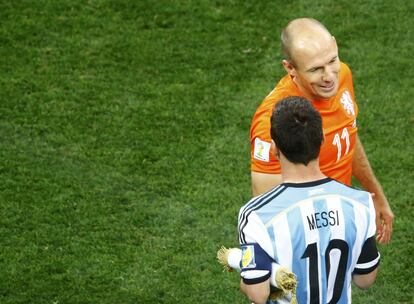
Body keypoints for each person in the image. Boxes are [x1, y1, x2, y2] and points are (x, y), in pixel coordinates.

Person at [250, 17, 393, 244]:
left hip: (343, 220)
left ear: (335, 46)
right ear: (290, 68)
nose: (329, 77)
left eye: (332, 60)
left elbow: (347, 135)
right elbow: (267, 207)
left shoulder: (342, 75)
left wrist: (374, 194)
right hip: (304, 241)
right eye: (316, 69)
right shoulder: (273, 120)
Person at [239, 96, 380, 304]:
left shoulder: (256, 215)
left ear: (274, 148)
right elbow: (365, 279)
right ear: (322, 139)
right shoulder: (361, 203)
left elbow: (257, 294)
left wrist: (241, 264)